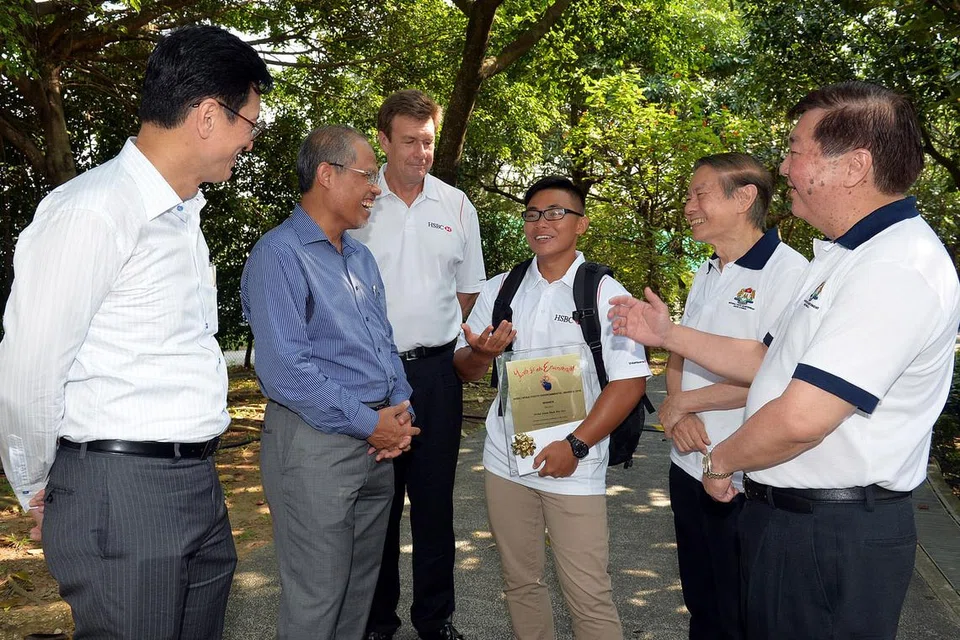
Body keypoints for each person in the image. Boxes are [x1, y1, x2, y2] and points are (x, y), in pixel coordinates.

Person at [610, 81, 960, 638]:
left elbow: (802, 417)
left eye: (796, 150)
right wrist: (669, 334)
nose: (784, 164)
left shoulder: (894, 267)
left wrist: (722, 460)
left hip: (830, 530)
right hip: (794, 518)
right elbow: (765, 360)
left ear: (853, 167)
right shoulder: (848, 254)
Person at [0, 25, 271, 639]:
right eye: (249, 124)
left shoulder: (181, 217)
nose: (250, 143)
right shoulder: (94, 210)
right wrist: (44, 487)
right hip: (122, 494)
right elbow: (29, 370)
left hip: (196, 485)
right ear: (208, 115)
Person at [240, 125, 420, 640]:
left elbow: (384, 345)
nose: (377, 188)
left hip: (375, 444)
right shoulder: (281, 254)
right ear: (326, 174)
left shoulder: (360, 257)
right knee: (316, 597)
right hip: (314, 445)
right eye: (368, 174)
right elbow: (286, 372)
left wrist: (401, 411)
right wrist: (372, 424)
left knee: (357, 593)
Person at [454, 176, 650, 639]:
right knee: (520, 582)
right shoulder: (502, 289)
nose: (542, 223)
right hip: (506, 458)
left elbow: (630, 381)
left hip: (575, 463)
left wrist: (576, 445)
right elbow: (465, 369)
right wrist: (482, 353)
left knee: (587, 592)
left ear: (580, 224)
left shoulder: (603, 292)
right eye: (533, 214)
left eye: (556, 213)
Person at [352, 90, 485, 640]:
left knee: (435, 506)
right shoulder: (356, 200)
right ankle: (377, 622)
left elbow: (467, 292)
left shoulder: (457, 206)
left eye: (427, 141)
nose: (420, 152)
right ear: (383, 141)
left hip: (434, 376)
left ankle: (436, 621)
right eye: (408, 141)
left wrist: (431, 337)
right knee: (375, 507)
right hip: (367, 378)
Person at [664, 153, 807, 639]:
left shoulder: (790, 273)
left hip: (741, 474)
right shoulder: (709, 269)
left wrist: (686, 404)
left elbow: (773, 373)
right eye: (689, 195)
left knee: (740, 607)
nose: (688, 206)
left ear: (744, 197)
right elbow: (679, 351)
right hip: (688, 461)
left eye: (699, 194)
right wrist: (677, 408)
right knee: (700, 600)